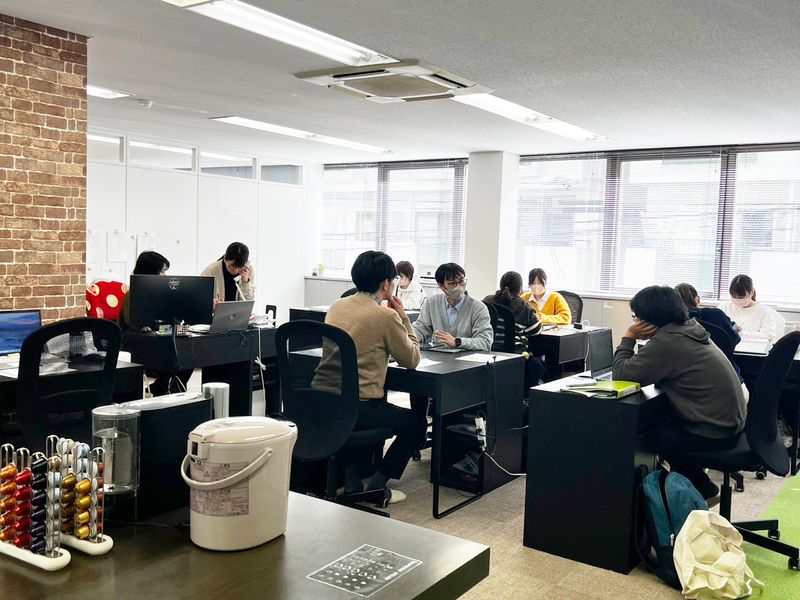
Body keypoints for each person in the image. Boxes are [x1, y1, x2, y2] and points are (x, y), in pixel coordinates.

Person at [612, 286, 746, 500]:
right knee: (659, 418)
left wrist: (628, 337)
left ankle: (674, 494)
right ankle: (699, 484)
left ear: (648, 319)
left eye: (636, 317)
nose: (635, 321)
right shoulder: (690, 329)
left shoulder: (667, 342)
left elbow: (621, 375)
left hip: (712, 432)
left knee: (640, 436)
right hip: (729, 424)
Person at [313, 250, 424, 504]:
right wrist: (403, 316)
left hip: (324, 399)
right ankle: (376, 484)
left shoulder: (337, 306)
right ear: (385, 284)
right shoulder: (386, 316)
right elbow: (412, 359)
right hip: (359, 405)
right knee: (417, 424)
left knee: (375, 408)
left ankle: (354, 480)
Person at [119, 251, 193, 396]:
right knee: (174, 355)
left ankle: (167, 387)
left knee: (189, 353)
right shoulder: (132, 295)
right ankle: (164, 386)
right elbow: (135, 324)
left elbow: (170, 321)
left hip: (159, 339)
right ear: (150, 272)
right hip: (138, 342)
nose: (165, 276)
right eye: (162, 271)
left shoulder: (164, 294)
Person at [412, 262, 493, 351]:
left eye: (461, 281)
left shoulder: (479, 308)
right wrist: (407, 338)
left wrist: (457, 342)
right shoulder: (431, 303)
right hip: (437, 356)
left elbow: (486, 342)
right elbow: (420, 330)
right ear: (441, 286)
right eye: (452, 283)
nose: (459, 287)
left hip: (466, 358)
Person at [483, 271, 544, 389]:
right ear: (520, 288)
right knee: (538, 364)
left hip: (488, 351)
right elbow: (536, 331)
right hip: (515, 354)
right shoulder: (523, 305)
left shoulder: (487, 300)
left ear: (501, 285)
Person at [719, 274, 785, 343]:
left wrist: (742, 333)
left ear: (752, 293)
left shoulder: (763, 311)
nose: (737, 300)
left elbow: (769, 336)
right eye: (734, 296)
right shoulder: (724, 307)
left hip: (752, 347)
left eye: (741, 297)